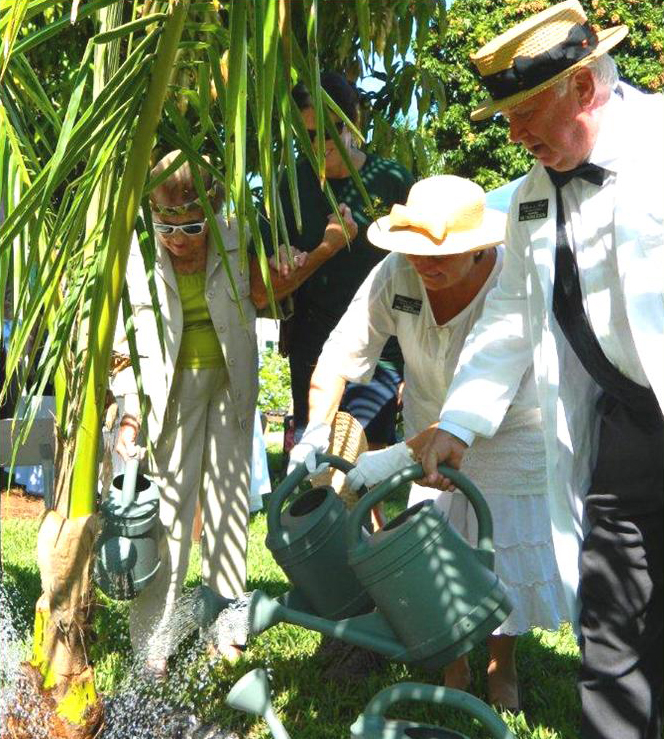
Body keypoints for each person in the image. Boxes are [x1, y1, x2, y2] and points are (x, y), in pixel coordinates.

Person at [419, 3, 663, 738]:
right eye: (507, 118)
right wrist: (458, 419)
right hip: (626, 427)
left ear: (584, 88)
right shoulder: (528, 196)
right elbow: (513, 318)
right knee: (612, 610)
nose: (515, 134)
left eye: (526, 112)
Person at [290, 175, 568, 708]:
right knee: (439, 548)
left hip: (509, 428)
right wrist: (314, 433)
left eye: (439, 253)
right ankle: (454, 664)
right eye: (415, 251)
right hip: (426, 417)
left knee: (499, 556)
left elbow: (497, 394)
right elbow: (339, 356)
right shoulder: (394, 274)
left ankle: (500, 663)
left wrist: (393, 458)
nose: (424, 263)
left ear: (480, 245)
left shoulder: (514, 280)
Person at [111, 151, 258, 673]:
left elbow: (261, 292)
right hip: (167, 392)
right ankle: (152, 647)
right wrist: (129, 410)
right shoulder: (135, 252)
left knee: (228, 508)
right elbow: (122, 341)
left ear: (214, 213)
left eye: (191, 226)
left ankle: (228, 631)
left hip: (232, 384)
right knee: (170, 516)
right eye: (165, 225)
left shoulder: (240, 234)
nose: (176, 238)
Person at [250, 71, 414, 454]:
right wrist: (326, 249)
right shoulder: (286, 187)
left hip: (382, 350)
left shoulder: (391, 181)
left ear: (354, 120)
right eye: (305, 135)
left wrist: (415, 363)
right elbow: (261, 294)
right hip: (314, 347)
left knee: (368, 467)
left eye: (329, 130)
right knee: (320, 463)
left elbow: (421, 272)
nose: (318, 145)